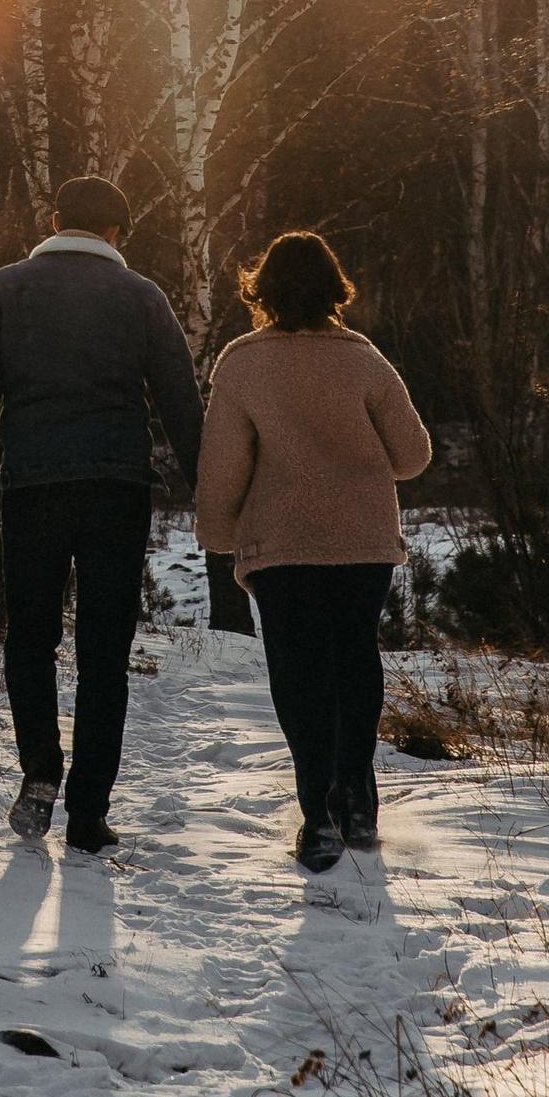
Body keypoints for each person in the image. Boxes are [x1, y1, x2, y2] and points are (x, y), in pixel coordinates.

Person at [0, 173, 204, 855]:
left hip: (32, 486)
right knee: (104, 654)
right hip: (117, 487)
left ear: (56, 219)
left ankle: (38, 776)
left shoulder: (4, 288)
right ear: (116, 232)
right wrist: (214, 493)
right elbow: (180, 403)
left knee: (29, 638)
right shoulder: (142, 296)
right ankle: (89, 812)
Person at [193, 230, 432, 873]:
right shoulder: (364, 358)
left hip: (281, 546)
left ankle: (317, 815)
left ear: (262, 291)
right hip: (362, 541)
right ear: (335, 288)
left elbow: (222, 468)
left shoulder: (241, 363)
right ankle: (358, 801)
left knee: (299, 675)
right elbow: (412, 456)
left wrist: (217, 534)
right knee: (355, 660)